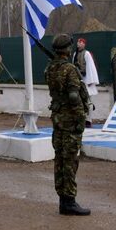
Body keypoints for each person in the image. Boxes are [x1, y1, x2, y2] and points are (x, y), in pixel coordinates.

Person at [45, 34, 90, 216]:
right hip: (70, 121)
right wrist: (81, 119)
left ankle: (63, 200)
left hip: (58, 120)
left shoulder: (50, 68)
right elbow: (73, 97)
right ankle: (69, 201)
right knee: (70, 160)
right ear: (67, 49)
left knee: (60, 160)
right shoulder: (69, 69)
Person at [72, 38, 99, 127]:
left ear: (84, 44)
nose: (79, 44)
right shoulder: (75, 54)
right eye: (78, 42)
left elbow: (90, 67)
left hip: (87, 80)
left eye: (81, 42)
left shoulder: (86, 53)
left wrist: (91, 81)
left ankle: (89, 120)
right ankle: (81, 119)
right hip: (78, 80)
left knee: (89, 101)